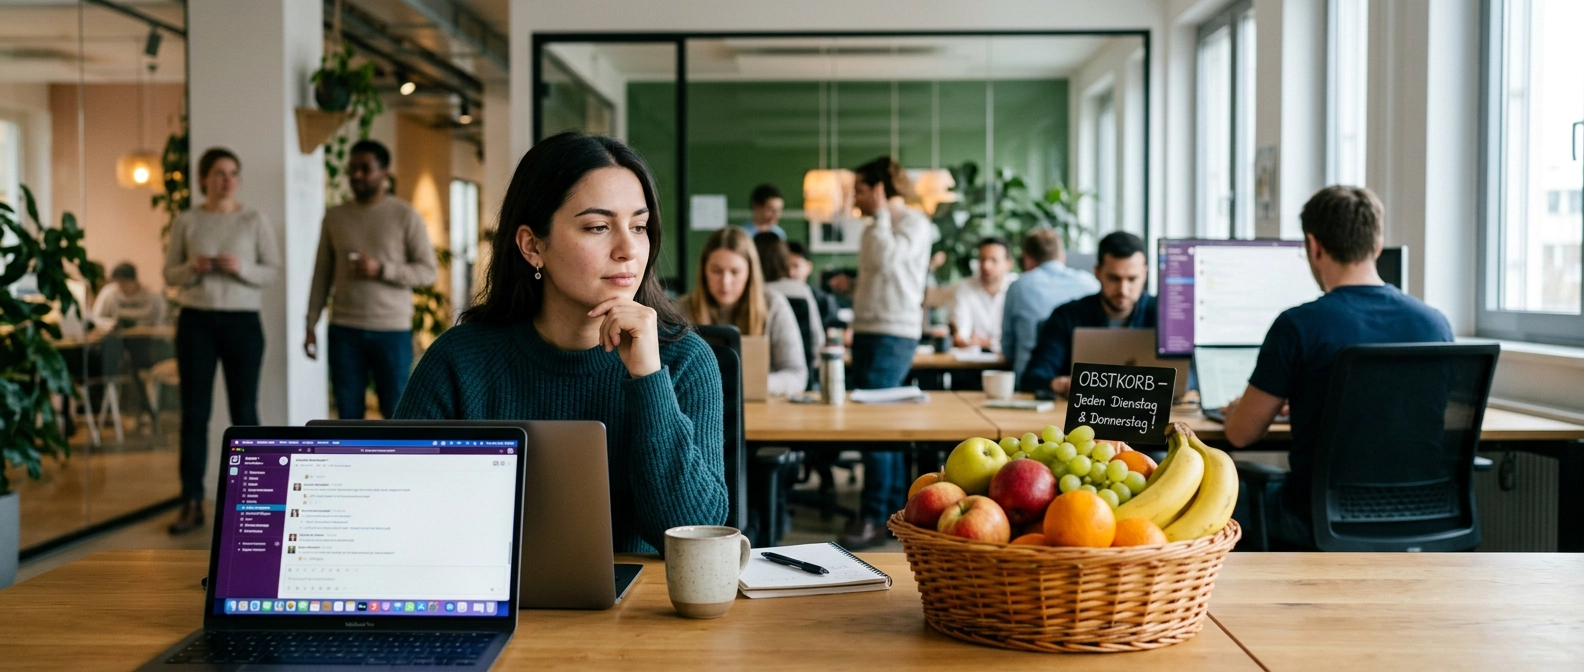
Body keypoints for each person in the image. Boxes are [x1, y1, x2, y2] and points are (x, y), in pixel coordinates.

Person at [394, 132, 727, 553]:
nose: (628, 249)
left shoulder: (683, 360)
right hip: (492, 608)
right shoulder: (460, 360)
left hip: (643, 616)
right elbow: (401, 516)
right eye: (598, 227)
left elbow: (693, 535)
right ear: (533, 246)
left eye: (639, 226)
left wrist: (649, 378)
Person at [1221, 186, 1453, 544]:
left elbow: (1240, 434)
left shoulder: (1298, 326)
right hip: (1424, 515)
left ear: (1314, 246)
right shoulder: (1435, 324)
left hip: (1316, 521)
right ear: (1377, 245)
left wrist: (1241, 409)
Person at [163, 147, 280, 535]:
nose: (226, 179)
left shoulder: (253, 219)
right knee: (194, 416)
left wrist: (241, 267)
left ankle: (254, 503)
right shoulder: (188, 220)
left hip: (243, 323)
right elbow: (170, 274)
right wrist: (192, 269)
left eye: (233, 172)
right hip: (196, 322)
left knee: (245, 412)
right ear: (203, 180)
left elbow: (272, 272)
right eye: (218, 173)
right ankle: (191, 502)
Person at [304, 140, 439, 420]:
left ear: (385, 172)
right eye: (352, 169)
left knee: (398, 415)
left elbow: (428, 271)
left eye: (365, 169)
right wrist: (310, 324)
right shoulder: (335, 217)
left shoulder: (405, 216)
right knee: (347, 417)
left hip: (392, 331)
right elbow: (321, 273)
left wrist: (381, 270)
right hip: (344, 330)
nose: (356, 175)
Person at [840, 155, 933, 550]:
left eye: (861, 187)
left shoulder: (913, 222)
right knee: (881, 424)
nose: (855, 196)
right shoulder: (873, 227)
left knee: (876, 426)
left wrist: (880, 217)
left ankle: (877, 515)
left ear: (880, 187)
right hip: (869, 329)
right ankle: (892, 513)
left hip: (893, 332)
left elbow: (890, 260)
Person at [1019, 231, 1154, 394]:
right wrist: (1061, 384)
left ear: (1144, 274)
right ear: (1097, 272)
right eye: (1114, 278)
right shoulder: (1067, 316)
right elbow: (1034, 377)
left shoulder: (1164, 315)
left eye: (1132, 279)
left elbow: (1188, 378)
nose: (1123, 290)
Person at [683, 229, 809, 397]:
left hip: (760, 411)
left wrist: (748, 384)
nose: (725, 282)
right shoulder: (680, 309)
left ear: (750, 272)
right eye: (716, 271)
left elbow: (797, 375)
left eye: (735, 272)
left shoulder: (773, 305)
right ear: (704, 271)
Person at [1000, 229, 1100, 379]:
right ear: (1062, 256)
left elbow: (1008, 348)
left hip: (1030, 379)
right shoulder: (1090, 283)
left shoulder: (1019, 287)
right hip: (1083, 380)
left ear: (1027, 259)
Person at [754, 231, 826, 357]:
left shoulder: (753, 293)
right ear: (782, 258)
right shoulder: (800, 290)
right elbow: (818, 338)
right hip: (802, 365)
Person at [950, 237, 1017, 352]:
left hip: (1008, 362)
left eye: (994, 260)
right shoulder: (965, 287)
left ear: (1009, 264)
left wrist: (986, 342)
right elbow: (962, 336)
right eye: (982, 259)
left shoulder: (1017, 287)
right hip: (972, 363)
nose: (986, 266)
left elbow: (1018, 338)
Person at [786, 240, 844, 333]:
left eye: (796, 266)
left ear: (808, 267)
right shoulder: (775, 299)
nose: (790, 272)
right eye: (785, 267)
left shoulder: (823, 301)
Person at [91, 262, 166, 331]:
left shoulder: (152, 296)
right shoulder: (109, 294)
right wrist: (112, 324)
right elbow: (96, 318)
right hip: (116, 338)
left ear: (134, 281)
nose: (121, 286)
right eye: (118, 283)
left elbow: (161, 320)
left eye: (124, 282)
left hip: (148, 337)